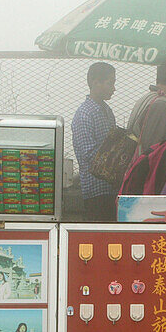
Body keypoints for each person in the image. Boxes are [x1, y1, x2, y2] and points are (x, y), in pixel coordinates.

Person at [71, 62, 118, 220]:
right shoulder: (84, 114)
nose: (114, 88)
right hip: (96, 191)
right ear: (95, 82)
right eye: (110, 83)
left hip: (111, 188)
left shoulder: (106, 110)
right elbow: (89, 155)